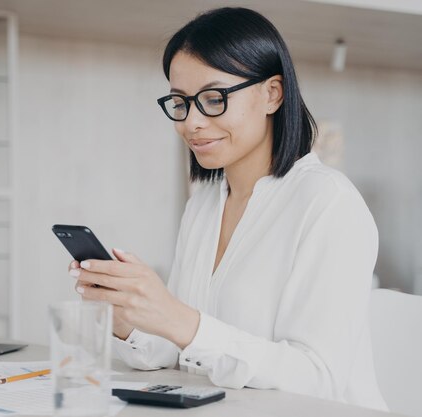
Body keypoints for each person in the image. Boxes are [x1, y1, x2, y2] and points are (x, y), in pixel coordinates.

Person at [68, 7, 387, 411]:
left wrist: (179, 319)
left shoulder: (328, 202)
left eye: (214, 99)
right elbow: (181, 353)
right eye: (181, 103)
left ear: (272, 93)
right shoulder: (205, 200)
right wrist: (129, 319)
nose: (192, 122)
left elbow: (317, 379)